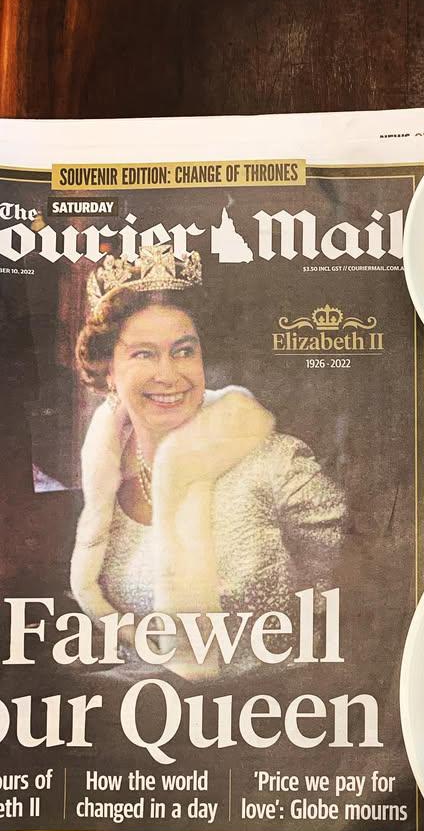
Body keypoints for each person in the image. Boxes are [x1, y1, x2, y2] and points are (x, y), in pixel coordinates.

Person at [70, 245, 346, 680]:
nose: (168, 375)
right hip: (146, 707)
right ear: (108, 371)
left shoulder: (275, 463)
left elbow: (353, 590)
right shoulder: (101, 479)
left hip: (276, 705)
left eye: (183, 351)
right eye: (143, 354)